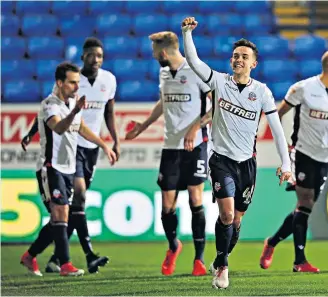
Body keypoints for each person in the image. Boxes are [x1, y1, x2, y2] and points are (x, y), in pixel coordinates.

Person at [181, 17, 292, 289]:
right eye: (235, 56)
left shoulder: (262, 92)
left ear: (254, 63)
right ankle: (223, 267)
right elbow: (194, 62)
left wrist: (286, 163)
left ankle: (221, 257)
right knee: (227, 215)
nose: (238, 59)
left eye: (244, 56)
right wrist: (186, 34)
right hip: (221, 160)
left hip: (248, 164)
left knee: (237, 220)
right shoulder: (219, 82)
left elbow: (277, 131)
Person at [20, 37, 120, 274]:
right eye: (73, 83)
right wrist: (32, 133)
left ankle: (34, 255)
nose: (77, 87)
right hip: (53, 164)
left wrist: (107, 145)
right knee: (67, 208)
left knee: (62, 215)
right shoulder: (53, 103)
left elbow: (85, 125)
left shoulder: (99, 86)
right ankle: (73, 260)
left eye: (100, 55)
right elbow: (57, 126)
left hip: (77, 159)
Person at [125, 31, 211, 276]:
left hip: (195, 146)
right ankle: (174, 245)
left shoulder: (197, 71)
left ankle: (199, 259)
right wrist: (143, 126)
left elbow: (216, 105)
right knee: (166, 205)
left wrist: (195, 128)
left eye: (154, 52)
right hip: (170, 147)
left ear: (163, 52)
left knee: (196, 198)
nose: (153, 56)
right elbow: (164, 101)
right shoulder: (164, 73)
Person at [259, 50, 328, 273]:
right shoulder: (303, 89)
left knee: (306, 207)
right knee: (304, 202)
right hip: (301, 152)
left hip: (323, 157)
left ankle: (272, 242)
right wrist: (282, 146)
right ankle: (299, 261)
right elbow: (277, 114)